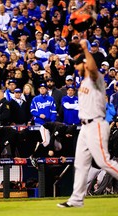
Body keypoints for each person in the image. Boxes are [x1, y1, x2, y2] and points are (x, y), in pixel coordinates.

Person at [57, 39, 118, 208]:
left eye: (80, 64)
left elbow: (92, 67)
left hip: (96, 124)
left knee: (104, 161)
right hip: (84, 126)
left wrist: (86, 49)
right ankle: (77, 199)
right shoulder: (83, 82)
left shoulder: (96, 79)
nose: (77, 67)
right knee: (80, 163)